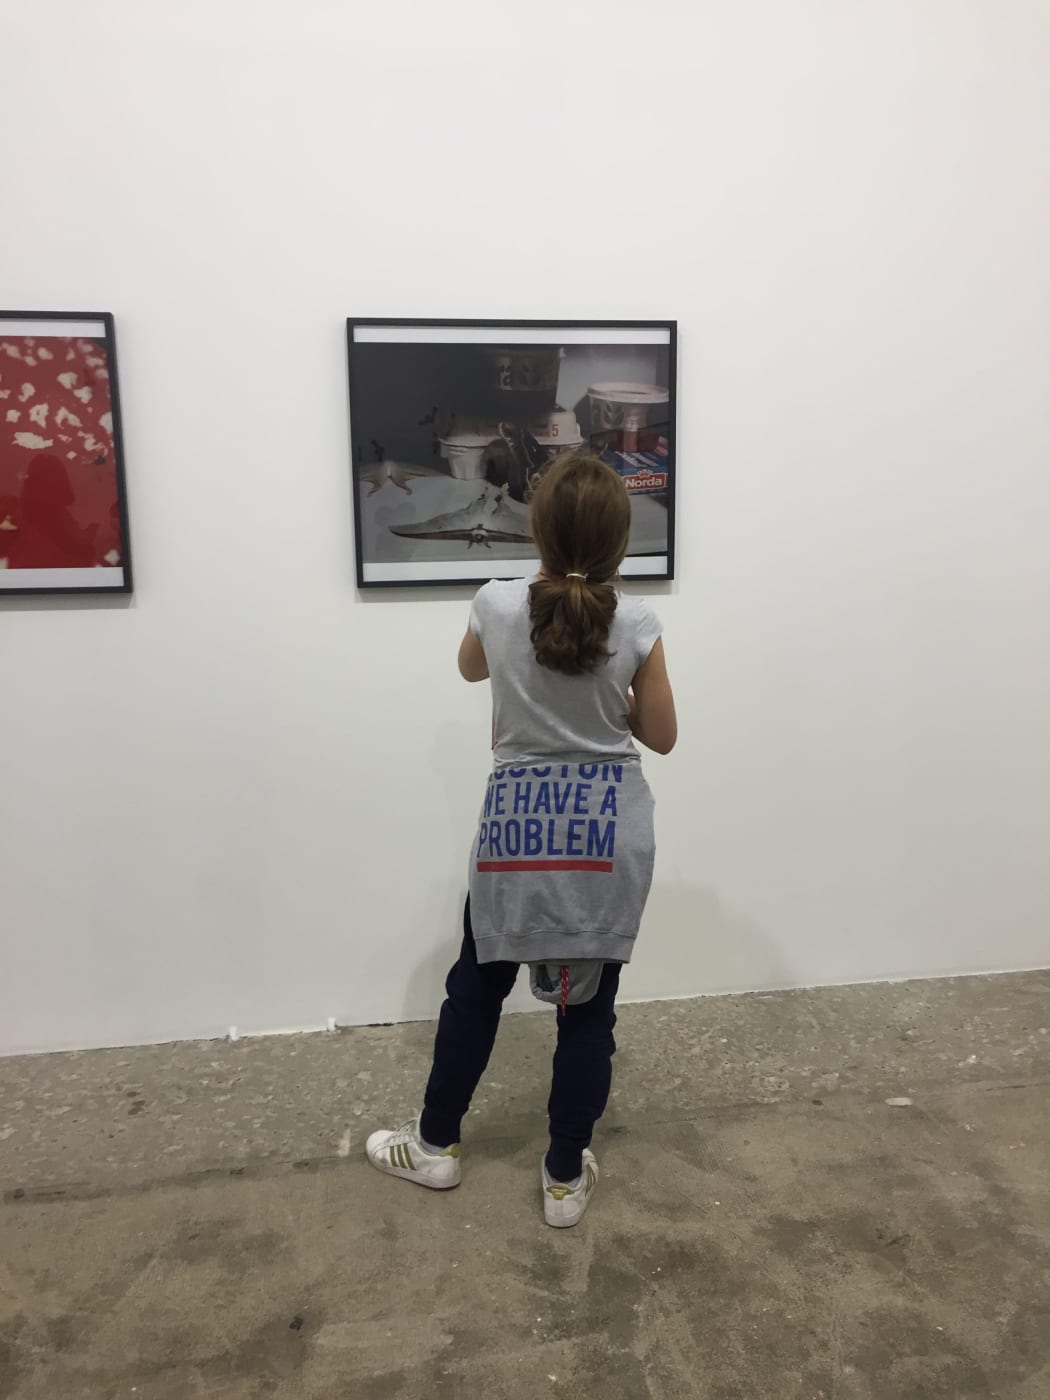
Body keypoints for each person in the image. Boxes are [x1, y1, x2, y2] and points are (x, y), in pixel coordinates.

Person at [366, 453, 677, 1227]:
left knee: (478, 988)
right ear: (619, 539)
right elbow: (662, 736)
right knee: (588, 1011)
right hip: (605, 835)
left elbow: (473, 672)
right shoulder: (636, 622)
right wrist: (615, 696)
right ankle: (565, 1177)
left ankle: (437, 1145)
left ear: (535, 528)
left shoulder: (496, 605)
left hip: (519, 829)